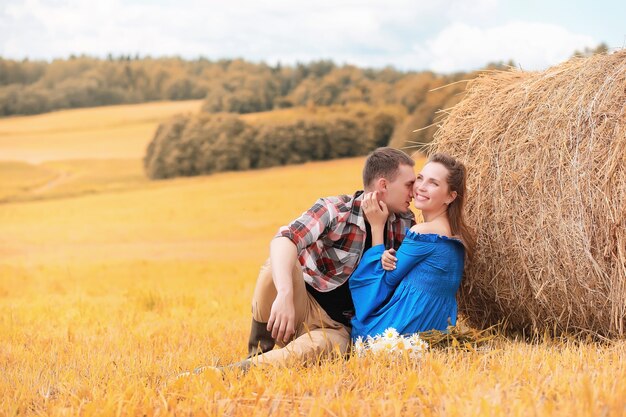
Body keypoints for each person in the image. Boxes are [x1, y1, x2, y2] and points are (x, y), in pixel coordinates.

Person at [210, 147, 417, 372]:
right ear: (384, 185)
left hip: (339, 329)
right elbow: (284, 239)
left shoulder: (405, 224)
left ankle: (234, 371)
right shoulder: (335, 209)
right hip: (302, 305)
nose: (414, 192)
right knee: (274, 267)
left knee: (310, 351)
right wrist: (285, 294)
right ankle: (259, 348)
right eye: (409, 184)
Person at [349, 153, 475, 341]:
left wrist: (377, 227)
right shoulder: (455, 234)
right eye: (420, 178)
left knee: (360, 333)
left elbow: (384, 283)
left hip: (404, 327)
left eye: (434, 183)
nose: (421, 187)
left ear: (450, 196)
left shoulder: (424, 232)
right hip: (433, 329)